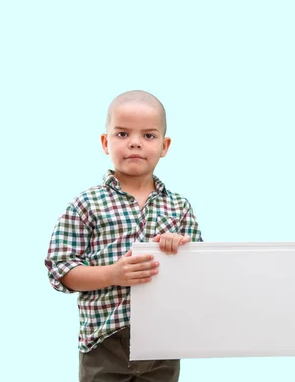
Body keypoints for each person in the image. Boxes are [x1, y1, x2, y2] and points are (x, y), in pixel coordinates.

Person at [45, 90, 202, 381]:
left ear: (165, 146)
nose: (135, 142)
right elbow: (61, 270)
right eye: (122, 133)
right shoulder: (86, 204)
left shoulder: (179, 206)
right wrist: (113, 274)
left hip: (163, 341)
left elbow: (199, 272)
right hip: (104, 343)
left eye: (149, 136)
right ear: (105, 142)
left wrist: (182, 248)